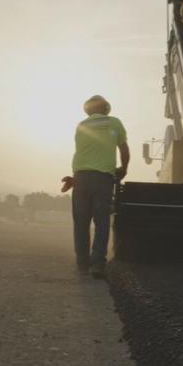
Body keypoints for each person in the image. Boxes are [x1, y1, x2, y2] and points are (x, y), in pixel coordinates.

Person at [68, 95, 129, 279]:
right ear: (106, 108)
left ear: (88, 110)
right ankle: (97, 265)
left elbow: (83, 152)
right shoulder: (114, 122)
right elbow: (124, 149)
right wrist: (123, 169)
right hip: (102, 178)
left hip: (80, 178)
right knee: (101, 222)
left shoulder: (81, 125)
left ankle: (82, 264)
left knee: (81, 222)